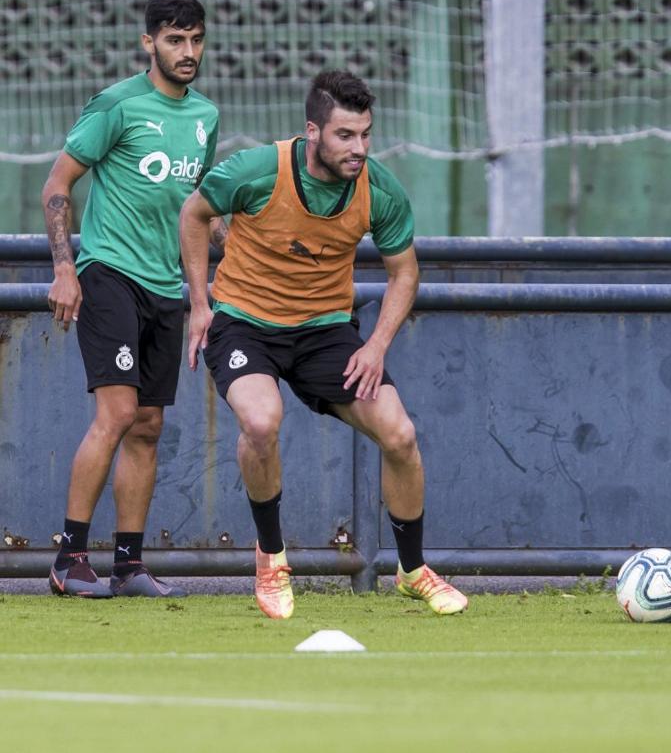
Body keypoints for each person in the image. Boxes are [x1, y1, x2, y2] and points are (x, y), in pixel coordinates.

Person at [179, 69, 466, 620]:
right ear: (313, 131)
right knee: (261, 422)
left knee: (400, 434)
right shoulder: (259, 169)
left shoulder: (379, 189)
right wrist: (199, 304)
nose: (358, 148)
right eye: (344, 136)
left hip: (324, 331)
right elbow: (195, 213)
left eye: (365, 135)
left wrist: (377, 344)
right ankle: (271, 559)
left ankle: (411, 571)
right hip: (244, 323)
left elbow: (405, 274)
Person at [43, 0, 221, 598]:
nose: (187, 51)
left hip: (167, 285)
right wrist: (66, 268)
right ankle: (67, 560)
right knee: (117, 413)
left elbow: (198, 209)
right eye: (175, 40)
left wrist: (245, 234)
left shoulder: (205, 116)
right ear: (149, 42)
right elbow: (57, 184)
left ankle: (128, 563)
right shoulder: (117, 104)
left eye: (196, 39)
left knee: (147, 424)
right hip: (109, 273)